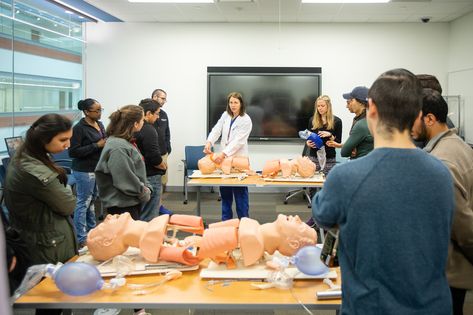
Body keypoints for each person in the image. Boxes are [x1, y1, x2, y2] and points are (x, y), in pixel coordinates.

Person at [312, 69, 454, 314]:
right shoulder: (442, 175)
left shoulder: (345, 178)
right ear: (418, 115)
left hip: (371, 307)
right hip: (434, 306)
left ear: (372, 110)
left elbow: (322, 217)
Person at [4, 114, 77, 315]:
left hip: (49, 238)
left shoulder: (31, 156)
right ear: (43, 139)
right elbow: (68, 205)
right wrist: (66, 191)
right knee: (52, 303)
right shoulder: (34, 170)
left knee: (59, 300)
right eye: (63, 140)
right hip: (46, 243)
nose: (67, 145)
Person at [412, 88, 473, 315]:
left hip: (448, 273)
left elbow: (462, 225)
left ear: (429, 119)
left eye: (412, 119)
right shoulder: (459, 145)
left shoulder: (442, 162)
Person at [87, 212, 316, 267]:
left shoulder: (250, 236)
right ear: (109, 242)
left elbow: (203, 245)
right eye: (103, 226)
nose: (297, 216)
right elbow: (199, 248)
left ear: (293, 244)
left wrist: (196, 247)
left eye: (299, 225)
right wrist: (191, 249)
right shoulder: (250, 234)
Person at [95, 105, 151, 220]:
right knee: (126, 237)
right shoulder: (118, 147)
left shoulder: (122, 143)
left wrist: (145, 187)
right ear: (135, 124)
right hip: (122, 206)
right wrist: (144, 191)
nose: (143, 123)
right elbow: (125, 179)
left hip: (128, 202)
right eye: (142, 120)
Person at [204, 92, 253, 221]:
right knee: (225, 193)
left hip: (238, 159)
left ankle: (244, 222)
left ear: (241, 103)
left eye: (236, 102)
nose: (233, 105)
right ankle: (226, 222)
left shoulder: (246, 119)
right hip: (224, 159)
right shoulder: (225, 115)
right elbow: (217, 129)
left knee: (240, 194)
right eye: (231, 102)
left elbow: (239, 141)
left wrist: (224, 153)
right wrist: (209, 142)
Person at [69, 98, 107, 247]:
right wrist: (96, 145)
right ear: (86, 112)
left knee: (92, 202)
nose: (99, 113)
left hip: (96, 168)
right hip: (84, 170)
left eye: (100, 110)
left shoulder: (100, 124)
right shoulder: (79, 128)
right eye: (96, 110)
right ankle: (81, 238)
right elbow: (73, 152)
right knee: (83, 203)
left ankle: (92, 232)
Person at [135, 99, 167, 222]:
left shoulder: (137, 127)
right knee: (149, 214)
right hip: (151, 175)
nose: (158, 117)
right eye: (157, 114)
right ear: (148, 114)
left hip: (141, 174)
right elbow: (153, 156)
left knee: (142, 212)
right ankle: (146, 239)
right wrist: (162, 166)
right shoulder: (147, 129)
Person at [327, 86, 373, 159]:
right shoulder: (368, 119)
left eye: (350, 101)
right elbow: (358, 142)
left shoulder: (361, 124)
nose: (347, 106)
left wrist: (349, 148)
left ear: (361, 103)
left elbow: (344, 152)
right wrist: (340, 145)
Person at [305, 95, 342, 174]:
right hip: (313, 157)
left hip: (329, 159)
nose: (320, 108)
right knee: (313, 184)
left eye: (322, 106)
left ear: (328, 106)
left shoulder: (337, 121)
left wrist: (330, 135)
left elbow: (338, 142)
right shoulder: (312, 120)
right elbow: (308, 138)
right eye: (318, 106)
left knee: (328, 183)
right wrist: (307, 143)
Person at [151, 88, 173, 216]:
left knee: (162, 182)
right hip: (150, 154)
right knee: (152, 182)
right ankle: (152, 207)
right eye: (162, 98)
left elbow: (167, 132)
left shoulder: (163, 114)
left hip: (163, 152)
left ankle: (159, 205)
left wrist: (168, 147)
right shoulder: (145, 112)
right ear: (155, 97)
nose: (164, 101)